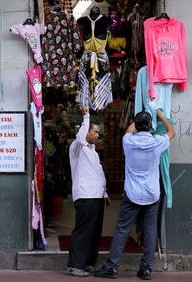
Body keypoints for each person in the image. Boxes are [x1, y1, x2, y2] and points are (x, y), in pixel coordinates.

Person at [95, 109, 175, 280]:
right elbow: (171, 132)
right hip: (152, 194)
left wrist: (138, 114)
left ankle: (111, 267)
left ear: (137, 126)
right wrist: (160, 116)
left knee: (122, 230)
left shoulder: (128, 141)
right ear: (151, 126)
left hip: (132, 194)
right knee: (150, 230)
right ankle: (146, 269)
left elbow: (129, 131)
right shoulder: (157, 142)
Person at [65, 105, 110, 277]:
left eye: (98, 133)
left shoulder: (93, 151)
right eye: (95, 132)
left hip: (96, 196)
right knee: (83, 231)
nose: (98, 135)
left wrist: (104, 193)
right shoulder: (77, 148)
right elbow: (80, 138)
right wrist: (86, 117)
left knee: (95, 232)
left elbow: (98, 174)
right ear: (86, 132)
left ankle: (88, 262)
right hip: (85, 196)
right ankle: (74, 265)